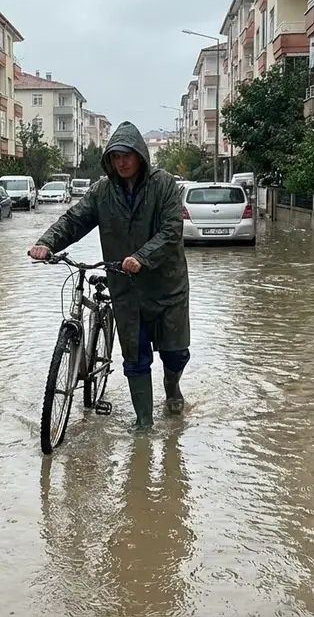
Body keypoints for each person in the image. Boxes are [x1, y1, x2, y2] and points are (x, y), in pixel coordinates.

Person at [27, 121, 190, 429]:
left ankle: (172, 387)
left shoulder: (164, 185)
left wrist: (141, 258)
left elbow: (171, 232)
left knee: (175, 352)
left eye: (127, 155)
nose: (121, 162)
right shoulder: (102, 191)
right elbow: (75, 219)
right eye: (115, 156)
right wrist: (46, 242)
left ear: (140, 155)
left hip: (166, 286)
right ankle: (144, 424)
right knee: (135, 357)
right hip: (126, 289)